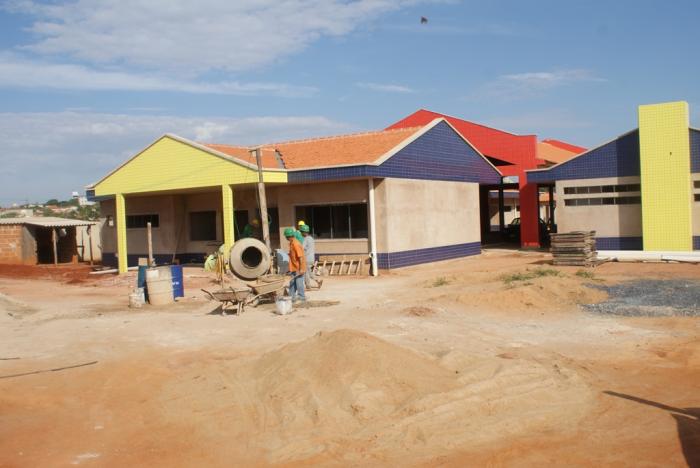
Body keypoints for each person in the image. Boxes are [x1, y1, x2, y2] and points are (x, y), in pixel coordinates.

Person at [284, 227, 306, 302]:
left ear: (289, 236)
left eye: (286, 237)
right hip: (293, 267)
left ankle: (302, 298)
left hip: (298, 267)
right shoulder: (291, 243)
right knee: (292, 283)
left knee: (299, 283)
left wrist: (301, 269)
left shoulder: (296, 244)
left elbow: (300, 257)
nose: (286, 238)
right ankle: (292, 297)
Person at [300, 224, 322, 289]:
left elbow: (302, 248)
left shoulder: (305, 239)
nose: (301, 233)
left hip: (306, 259)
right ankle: (318, 280)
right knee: (310, 272)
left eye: (301, 232)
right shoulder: (311, 238)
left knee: (305, 272)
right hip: (312, 258)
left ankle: (308, 285)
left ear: (304, 232)